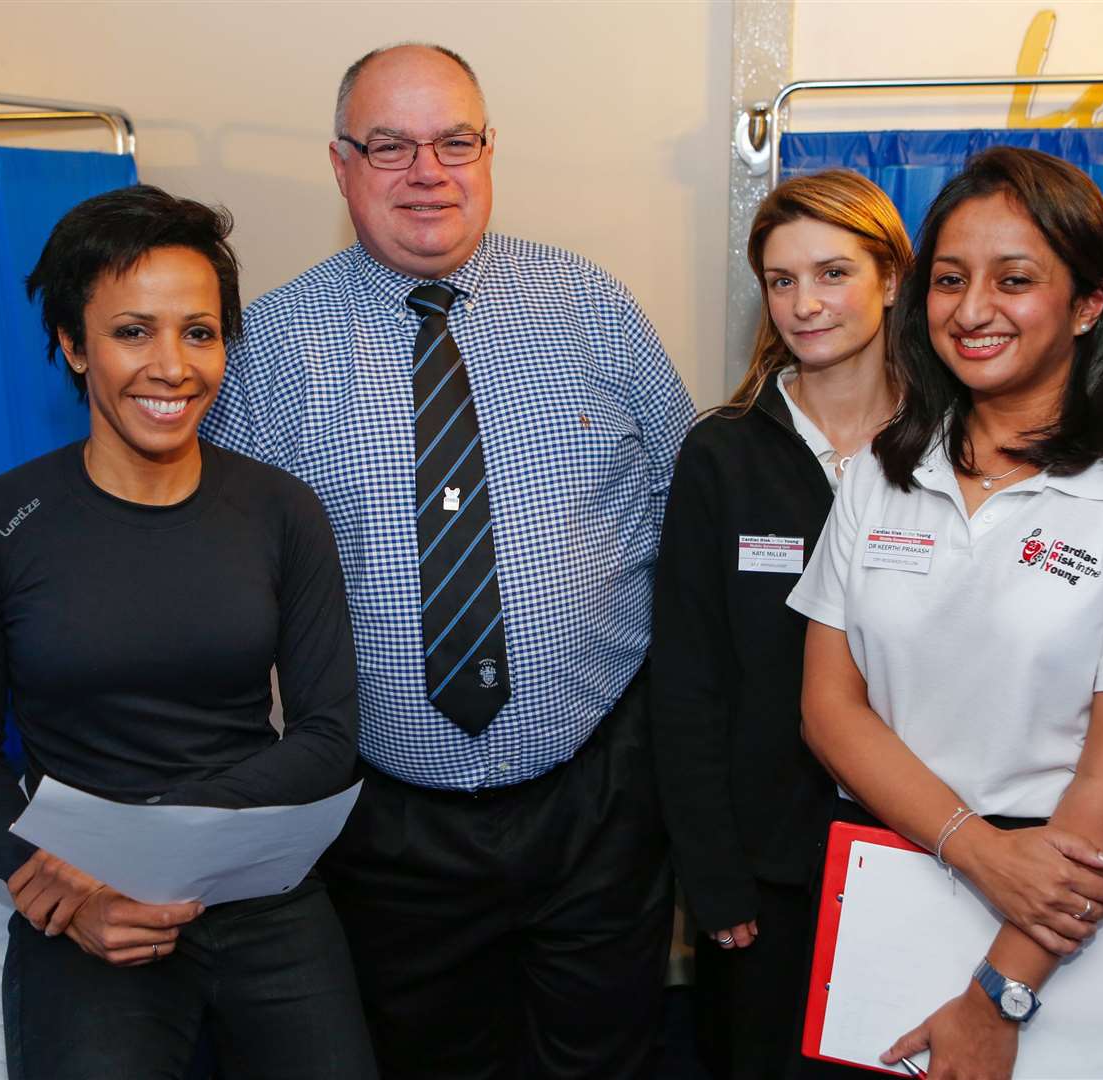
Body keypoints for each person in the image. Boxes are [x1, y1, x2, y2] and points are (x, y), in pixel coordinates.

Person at [201, 42, 695, 1080]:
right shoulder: (273, 349)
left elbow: (680, 509)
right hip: (386, 822)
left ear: (488, 151)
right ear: (341, 166)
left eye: (453, 141)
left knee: (610, 1057)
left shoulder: (591, 307)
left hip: (598, 794)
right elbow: (228, 581)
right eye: (390, 145)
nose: (427, 171)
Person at [787, 147, 1103, 1078]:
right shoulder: (881, 471)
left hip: (1072, 902)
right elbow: (829, 710)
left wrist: (1001, 992)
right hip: (897, 865)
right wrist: (978, 853)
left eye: (1015, 279)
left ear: (1088, 304)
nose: (973, 308)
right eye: (950, 279)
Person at [0, 185, 376, 1080]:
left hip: (256, 883)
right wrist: (61, 885)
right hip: (89, 907)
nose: (172, 366)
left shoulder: (281, 512)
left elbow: (328, 737)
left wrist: (147, 843)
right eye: (133, 331)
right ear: (72, 346)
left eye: (199, 332)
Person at [651, 169, 910, 1080]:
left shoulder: (950, 449)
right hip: (764, 872)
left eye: (833, 273)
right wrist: (711, 876)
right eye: (782, 279)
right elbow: (686, 683)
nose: (806, 303)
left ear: (890, 277)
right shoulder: (721, 452)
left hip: (921, 850)